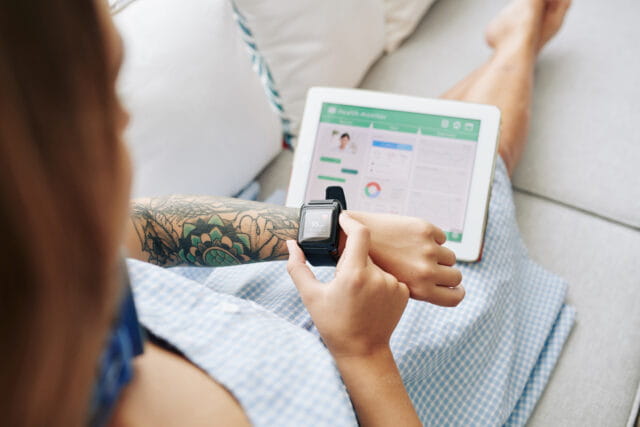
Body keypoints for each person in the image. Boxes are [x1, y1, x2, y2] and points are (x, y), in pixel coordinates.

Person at [0, 0, 571, 425]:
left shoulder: (47, 267)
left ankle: (513, 45)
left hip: (265, 304)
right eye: (104, 105)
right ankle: (517, 43)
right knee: (475, 213)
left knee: (416, 188)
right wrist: (364, 351)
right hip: (379, 378)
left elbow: (147, 227)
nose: (126, 123)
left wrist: (349, 232)